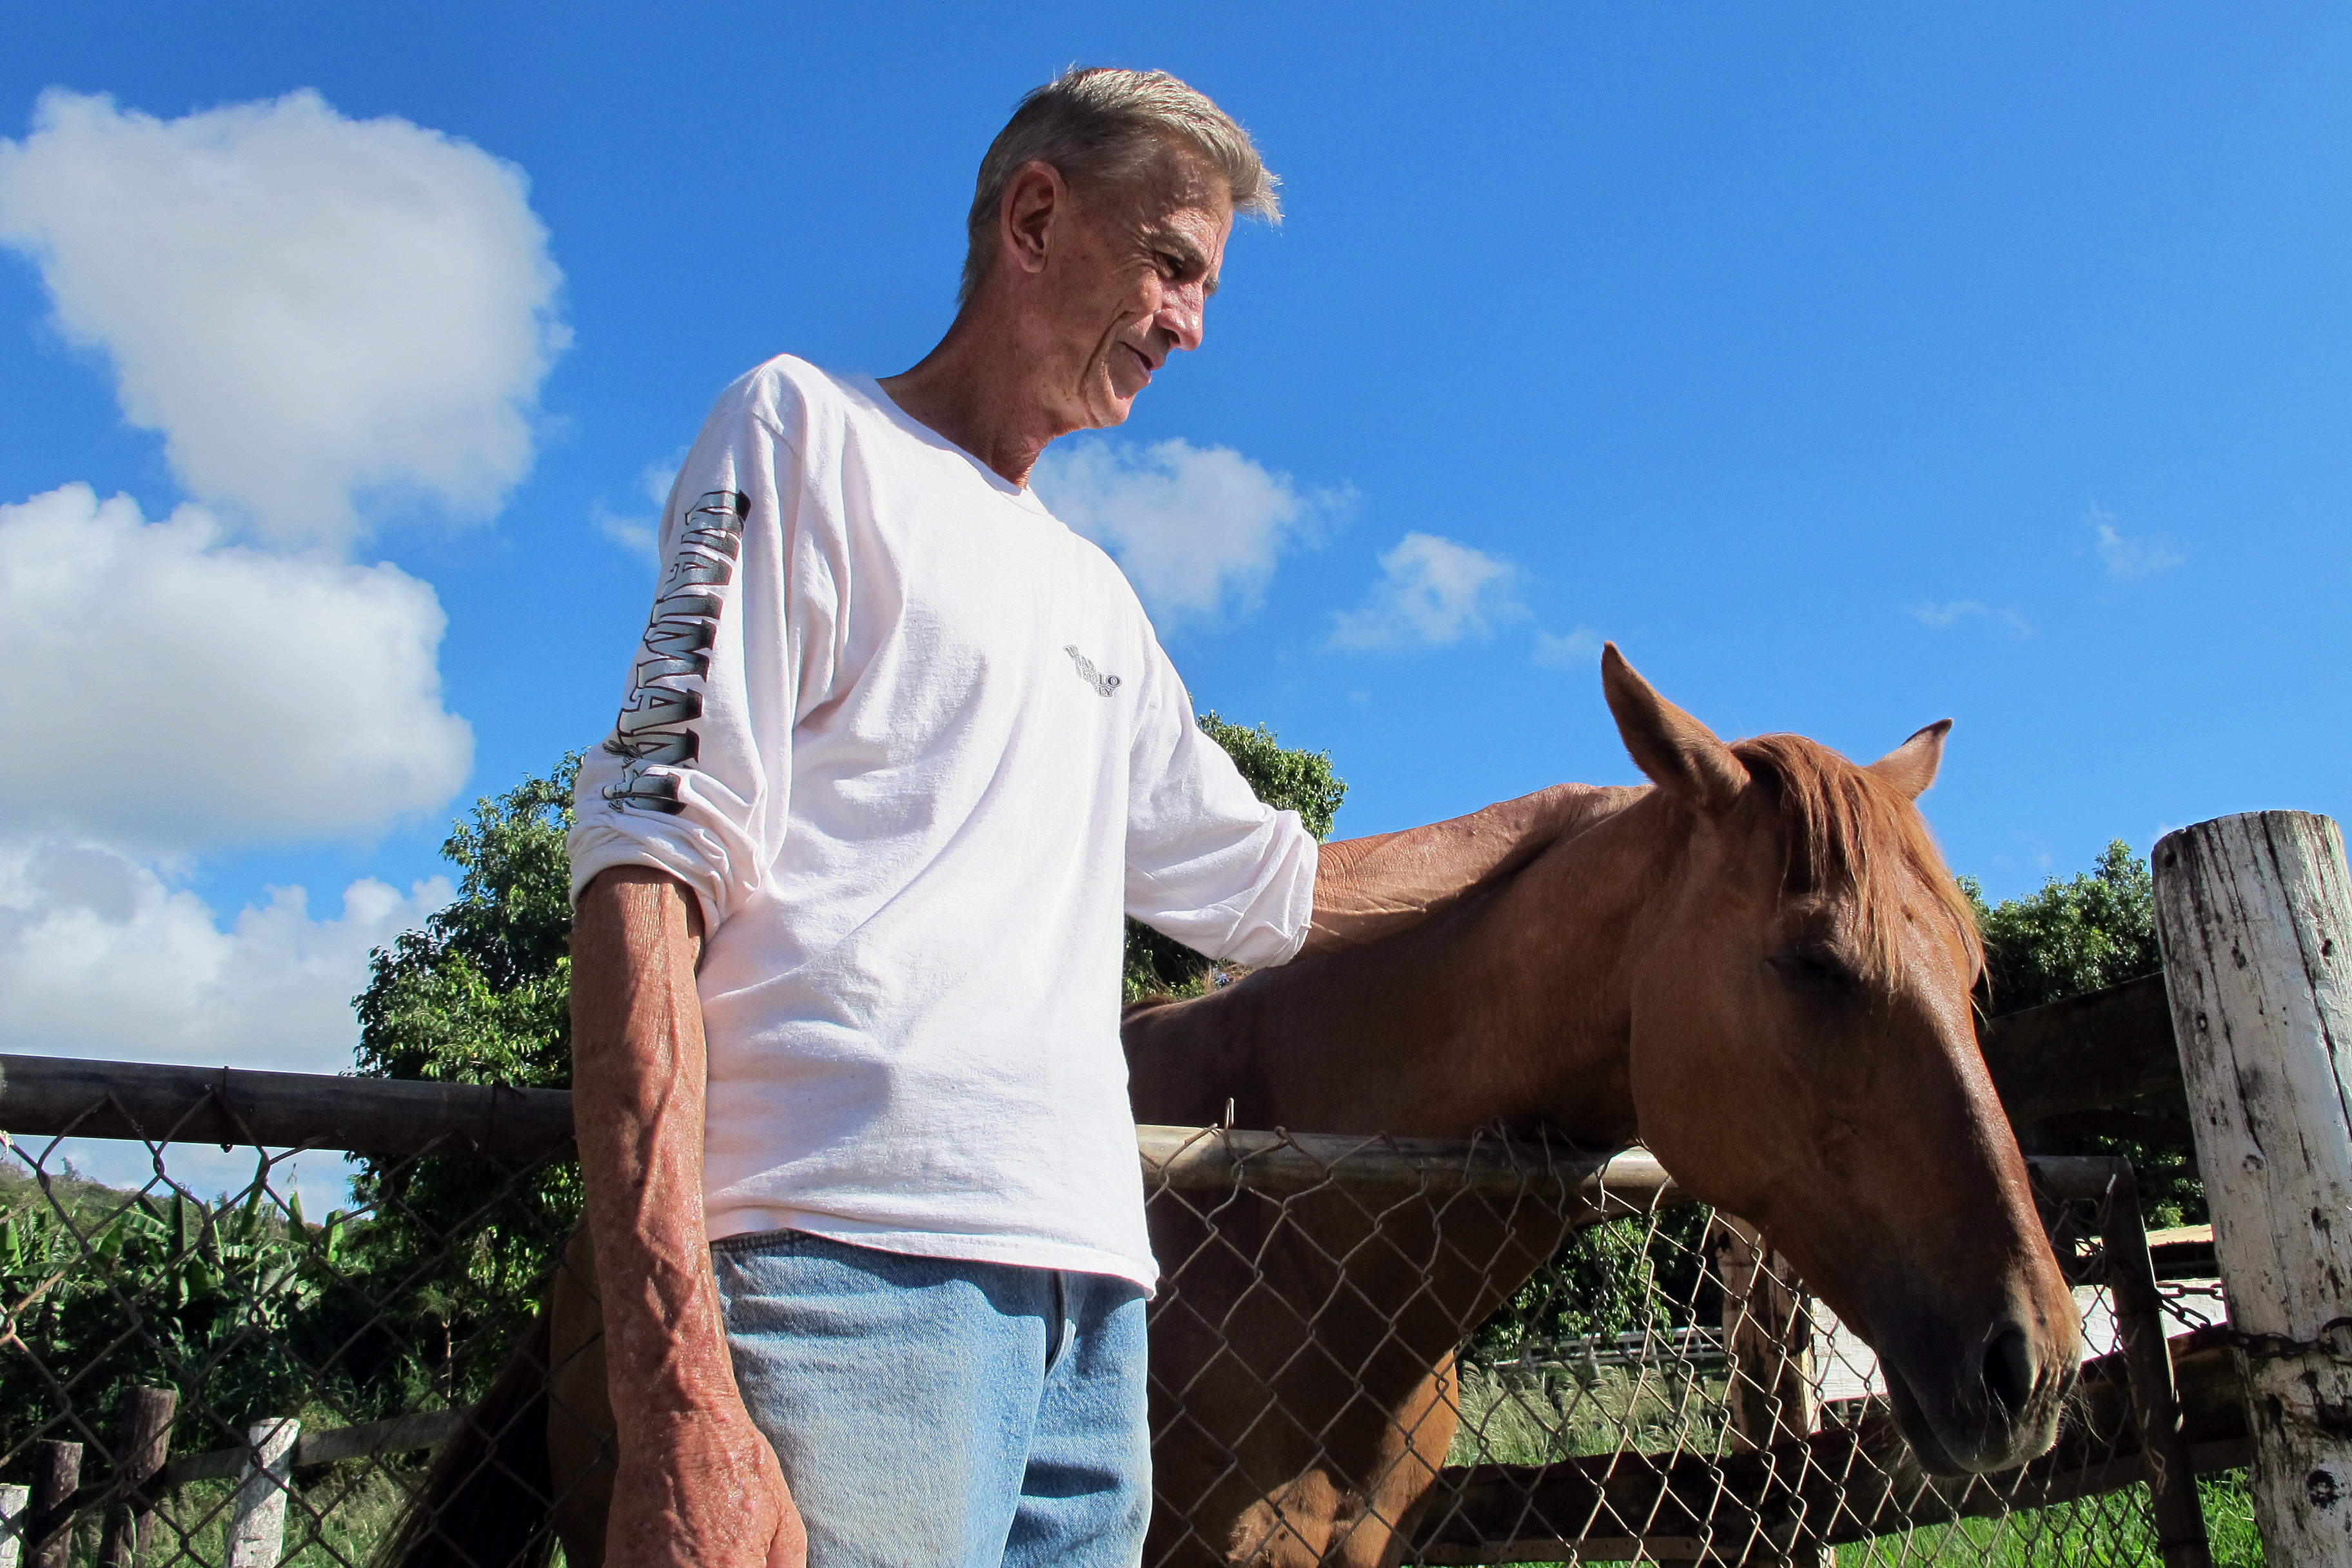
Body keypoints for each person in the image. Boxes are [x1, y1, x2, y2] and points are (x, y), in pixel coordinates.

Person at [568, 66, 1573, 1568]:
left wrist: (1559, 821)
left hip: (1099, 1323)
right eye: (1173, 265)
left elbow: (1267, 889)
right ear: (1036, 216)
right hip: (846, 1272)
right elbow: (647, 862)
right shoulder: (802, 432)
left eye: (1209, 287)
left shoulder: (1096, 596)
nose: (1192, 326)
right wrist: (672, 1394)